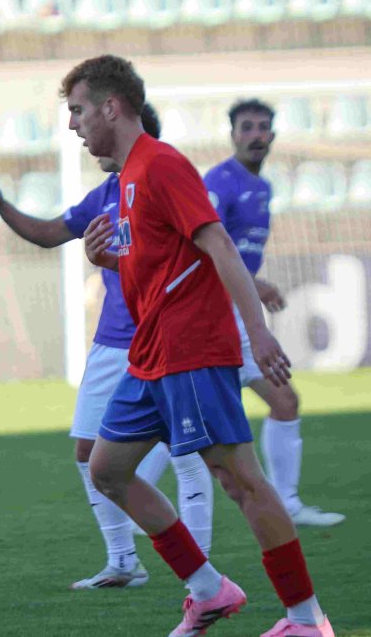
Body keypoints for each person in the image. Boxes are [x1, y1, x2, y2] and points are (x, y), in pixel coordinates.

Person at [68, 54, 333, 636]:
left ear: (111, 107)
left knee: (239, 479)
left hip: (191, 350)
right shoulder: (129, 178)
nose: (73, 125)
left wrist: (257, 333)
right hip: (151, 353)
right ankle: (210, 590)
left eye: (78, 111)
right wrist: (108, 258)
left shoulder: (162, 166)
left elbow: (218, 246)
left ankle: (305, 618)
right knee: (106, 469)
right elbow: (164, 261)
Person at [0, 102, 216, 591]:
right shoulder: (106, 194)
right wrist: (4, 208)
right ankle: (124, 561)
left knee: (190, 454)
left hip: (167, 337)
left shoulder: (165, 182)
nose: (83, 134)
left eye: (87, 120)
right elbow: (48, 234)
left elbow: (198, 256)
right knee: (88, 452)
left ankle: (201, 572)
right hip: (112, 343)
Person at [203, 100, 342, 528]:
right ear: (232, 134)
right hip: (209, 317)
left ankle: (287, 503)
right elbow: (203, 248)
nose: (257, 134)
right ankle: (123, 495)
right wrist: (255, 284)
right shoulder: (218, 183)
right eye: (248, 127)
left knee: (284, 400)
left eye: (264, 127)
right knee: (173, 420)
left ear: (274, 136)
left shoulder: (263, 188)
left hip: (238, 318)